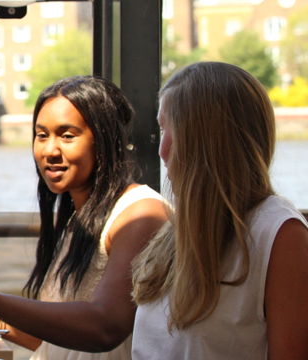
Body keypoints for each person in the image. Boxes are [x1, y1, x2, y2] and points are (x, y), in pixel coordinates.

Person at [0, 75, 168, 359]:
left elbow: (105, 328)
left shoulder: (141, 214)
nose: (50, 150)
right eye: (42, 135)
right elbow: (58, 341)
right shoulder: (78, 219)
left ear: (104, 141)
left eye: (67, 135)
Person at [131, 62, 308, 359]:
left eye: (169, 129)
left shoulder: (280, 235)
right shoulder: (176, 231)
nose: (161, 150)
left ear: (207, 139)